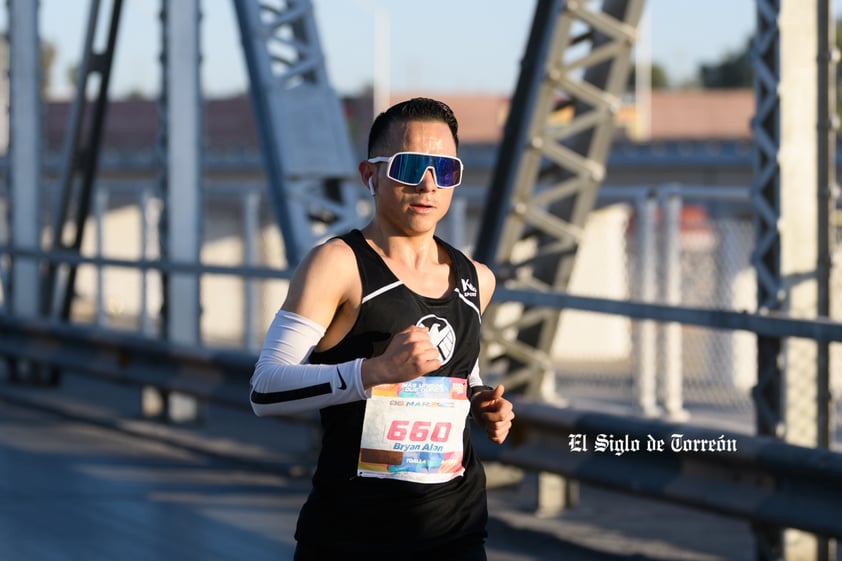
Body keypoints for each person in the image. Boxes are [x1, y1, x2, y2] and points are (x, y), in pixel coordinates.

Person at [249, 97, 515, 561]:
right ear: (370, 175)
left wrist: (479, 400)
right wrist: (372, 372)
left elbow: (456, 374)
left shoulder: (477, 279)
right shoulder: (337, 265)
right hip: (352, 537)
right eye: (410, 166)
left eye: (445, 169)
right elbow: (265, 388)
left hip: (457, 531)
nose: (429, 184)